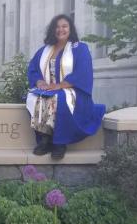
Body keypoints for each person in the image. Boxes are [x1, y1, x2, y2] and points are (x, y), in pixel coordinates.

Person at [26, 14, 105, 159]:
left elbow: (83, 72)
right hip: (49, 88)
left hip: (72, 89)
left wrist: (60, 85)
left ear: (70, 29)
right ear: (52, 30)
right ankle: (45, 139)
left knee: (60, 98)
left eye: (64, 26)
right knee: (35, 96)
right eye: (57, 26)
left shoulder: (79, 48)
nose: (60, 29)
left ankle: (59, 143)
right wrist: (39, 82)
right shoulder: (44, 51)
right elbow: (33, 69)